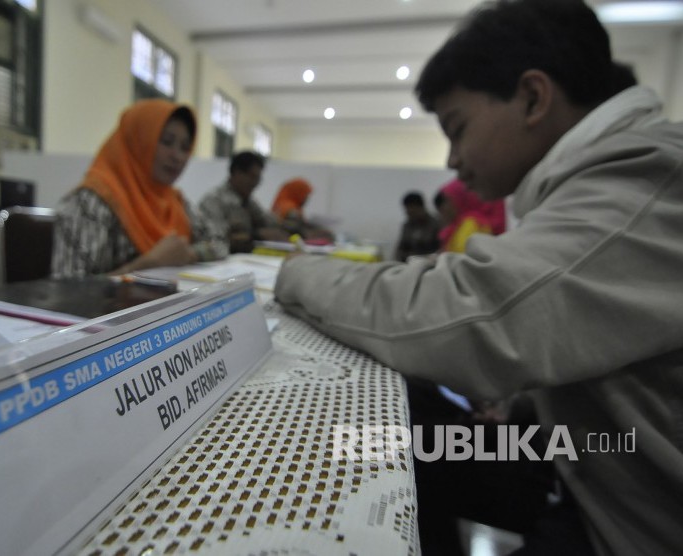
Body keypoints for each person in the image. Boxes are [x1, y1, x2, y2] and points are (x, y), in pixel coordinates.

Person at [274, 0, 683, 554]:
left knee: (363, 444)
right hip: (583, 458)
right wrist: (525, 406)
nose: (452, 160)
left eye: (457, 128)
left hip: (627, 524)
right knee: (393, 441)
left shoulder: (647, 177)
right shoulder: (606, 183)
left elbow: (466, 311)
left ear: (533, 97)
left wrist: (297, 273)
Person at [51, 99, 227, 278]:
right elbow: (67, 290)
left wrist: (189, 254)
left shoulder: (175, 202)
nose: (177, 156)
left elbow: (220, 242)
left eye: (185, 147)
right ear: (137, 140)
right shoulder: (91, 202)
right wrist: (148, 264)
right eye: (166, 141)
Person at [198, 151, 288, 253]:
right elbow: (215, 240)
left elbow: (268, 222)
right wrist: (257, 235)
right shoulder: (213, 201)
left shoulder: (248, 202)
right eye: (252, 177)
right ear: (237, 173)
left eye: (258, 178)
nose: (255, 184)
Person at [434, 178, 505, 253]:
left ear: (461, 198)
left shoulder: (472, 224)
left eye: (448, 201)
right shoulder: (459, 224)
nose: (444, 209)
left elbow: (462, 258)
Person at [393, 191, 441, 260]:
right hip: (407, 264)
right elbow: (400, 250)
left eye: (412, 211)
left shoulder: (436, 225)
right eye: (407, 211)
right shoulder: (407, 226)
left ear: (421, 207)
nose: (409, 214)